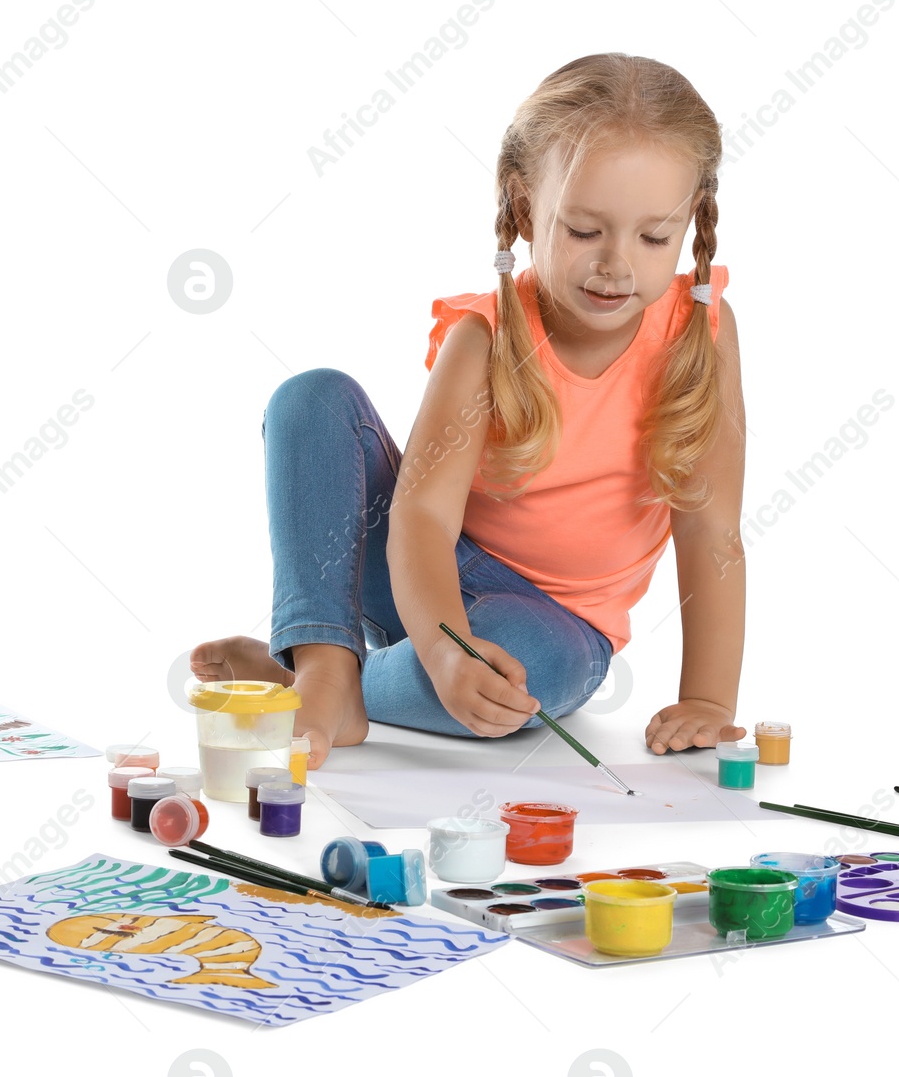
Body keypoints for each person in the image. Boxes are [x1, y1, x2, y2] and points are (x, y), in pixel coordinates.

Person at [192, 53, 747, 770]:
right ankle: (326, 661)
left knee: (528, 671)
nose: (617, 264)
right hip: (417, 568)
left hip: (553, 624)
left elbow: (712, 527)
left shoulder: (699, 335)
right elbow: (420, 519)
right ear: (524, 210)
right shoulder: (483, 339)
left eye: (653, 238)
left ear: (691, 224)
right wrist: (445, 644)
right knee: (311, 398)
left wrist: (709, 699)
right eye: (584, 230)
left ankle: (313, 680)